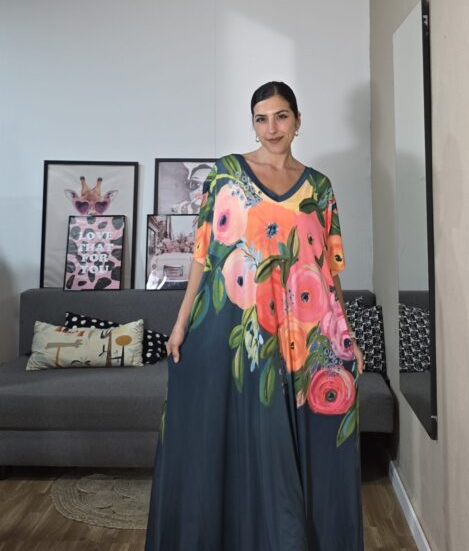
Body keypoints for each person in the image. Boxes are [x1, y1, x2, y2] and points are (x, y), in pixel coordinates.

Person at [145, 81, 365, 551]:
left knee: (309, 443)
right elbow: (202, 254)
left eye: (281, 116)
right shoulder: (226, 174)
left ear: (298, 121)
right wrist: (181, 323)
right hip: (237, 328)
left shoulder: (319, 187)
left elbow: (329, 268)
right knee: (230, 441)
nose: (272, 128)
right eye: (261, 119)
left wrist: (345, 332)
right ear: (253, 124)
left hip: (304, 333)